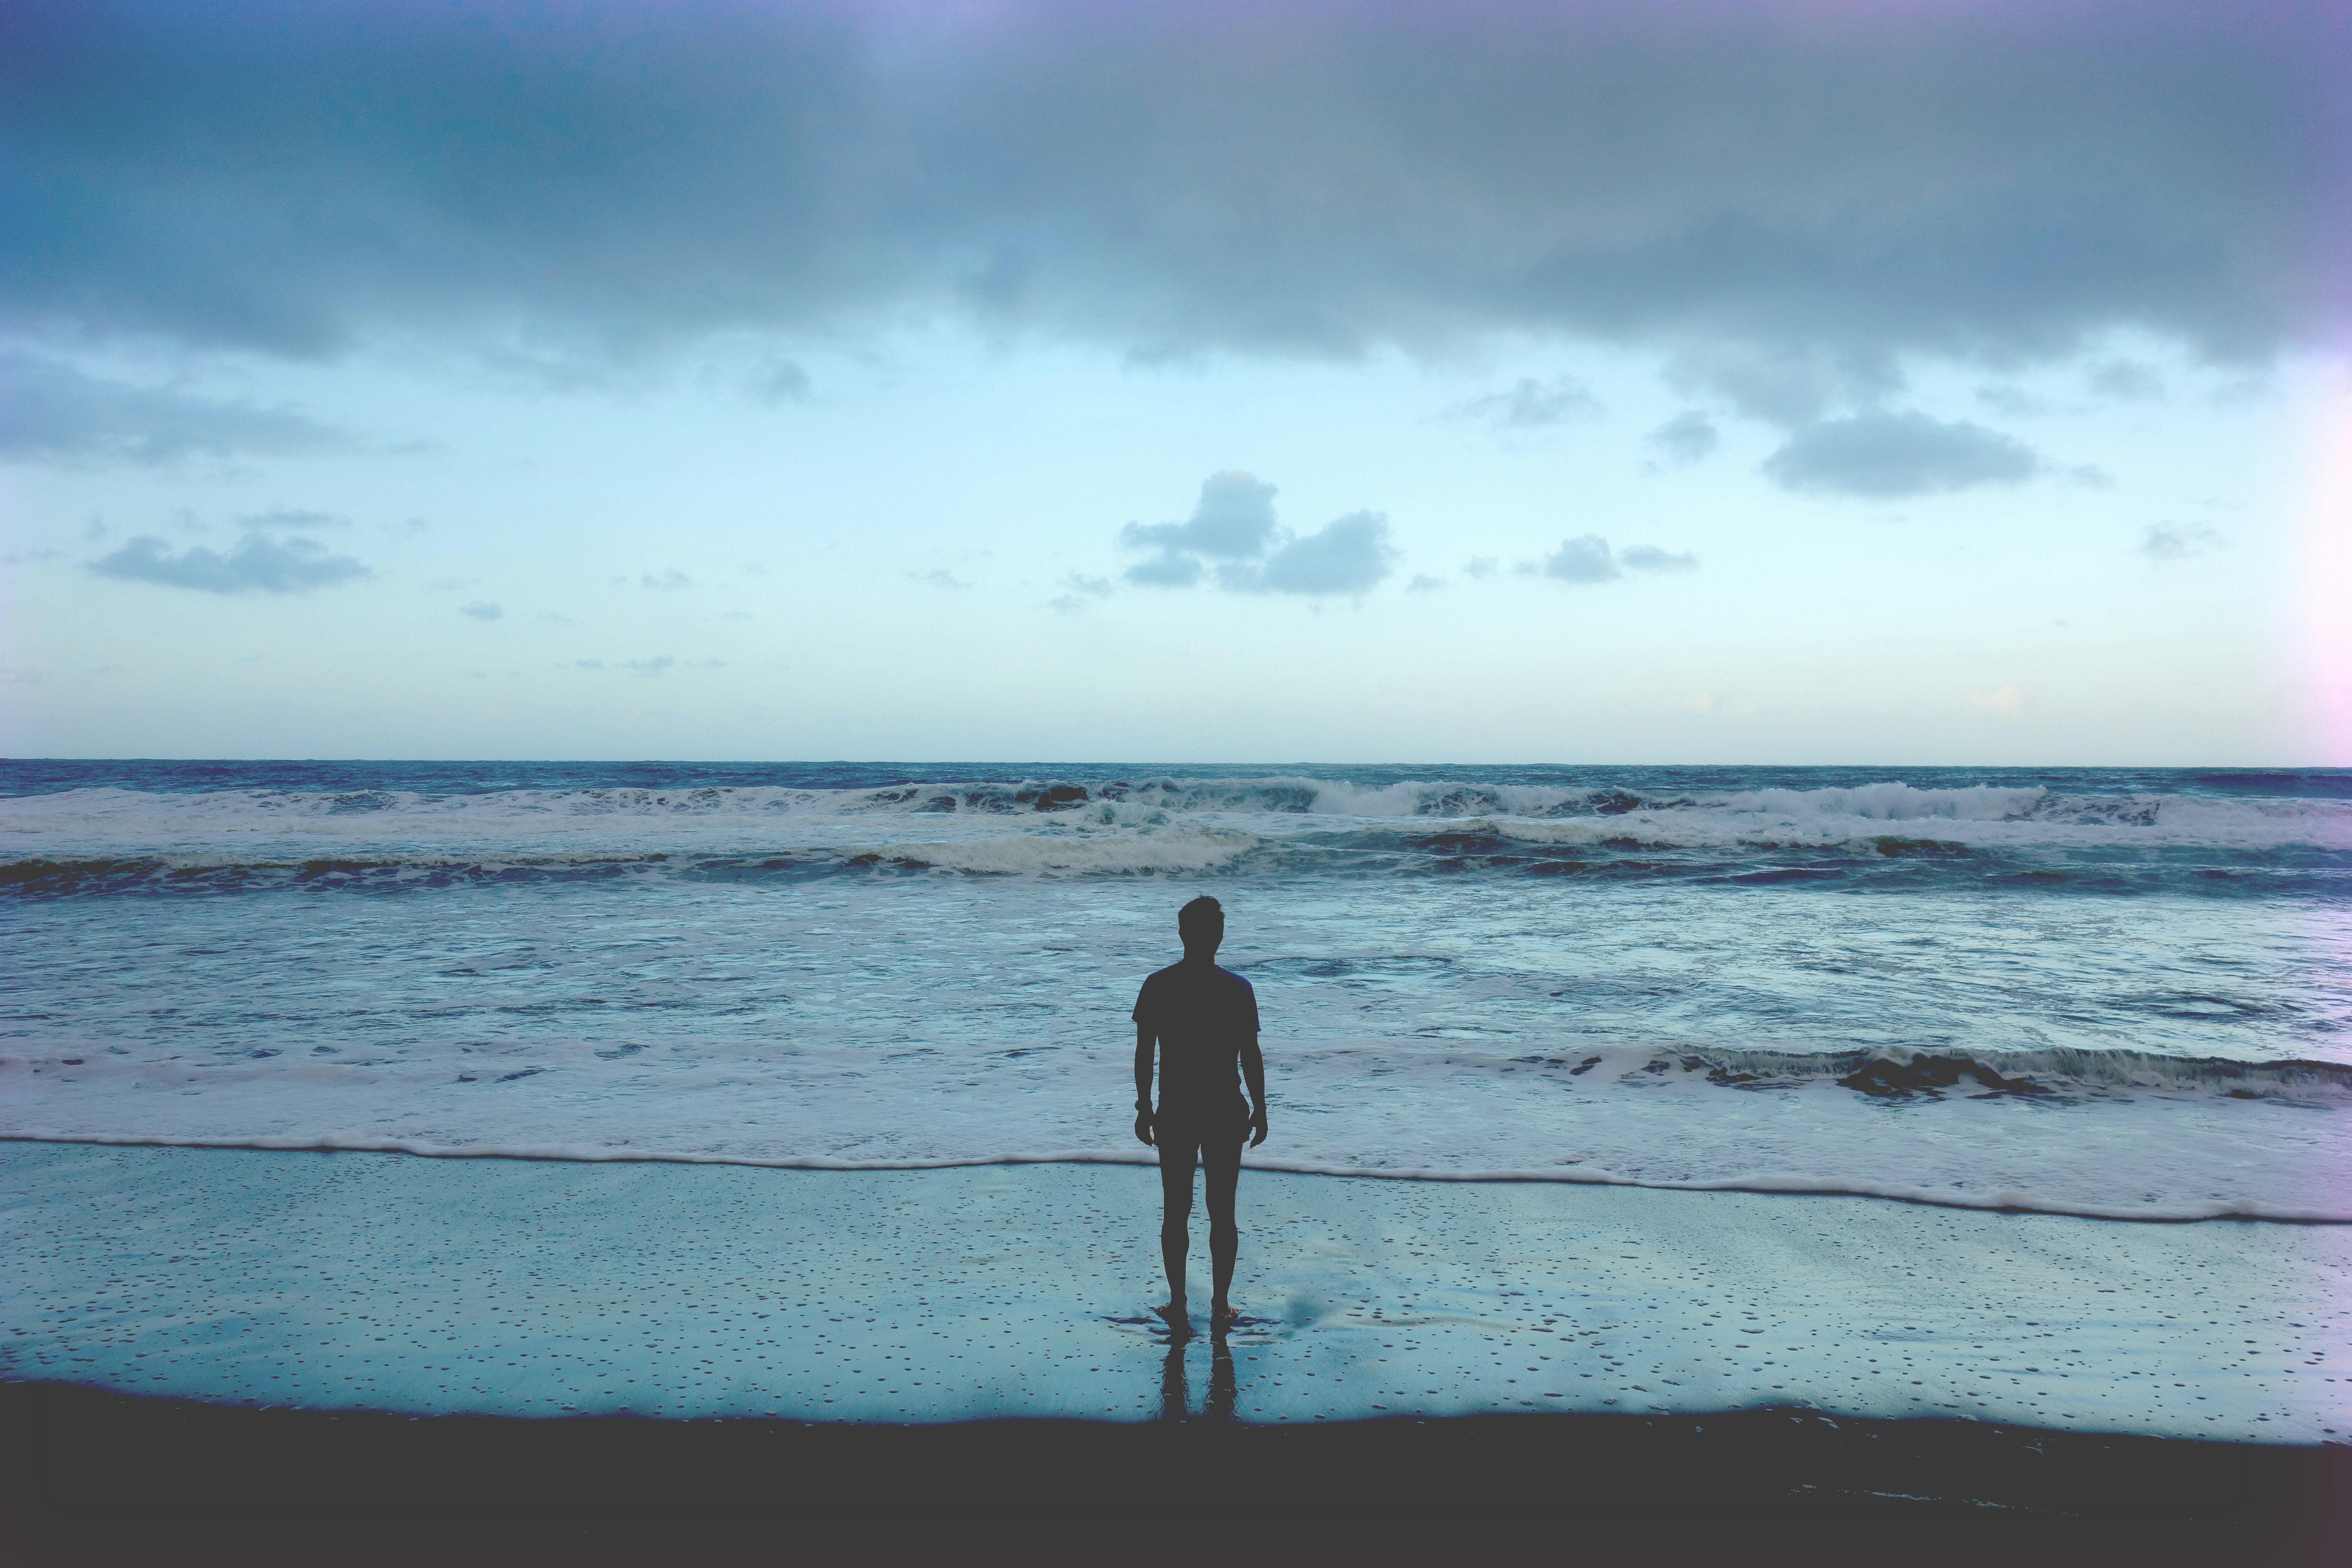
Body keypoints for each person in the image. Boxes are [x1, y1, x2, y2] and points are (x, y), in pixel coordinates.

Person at [1132, 895, 1267, 1335]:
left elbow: (1144, 1054)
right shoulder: (1238, 988)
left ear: (1181, 934)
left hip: (1176, 1110)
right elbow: (1251, 1056)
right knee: (1222, 1212)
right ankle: (1221, 1305)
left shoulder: (1158, 984)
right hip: (1227, 1109)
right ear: (1220, 936)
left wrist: (1144, 1106)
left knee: (1177, 1210)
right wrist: (1262, 1108)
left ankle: (1177, 1303)